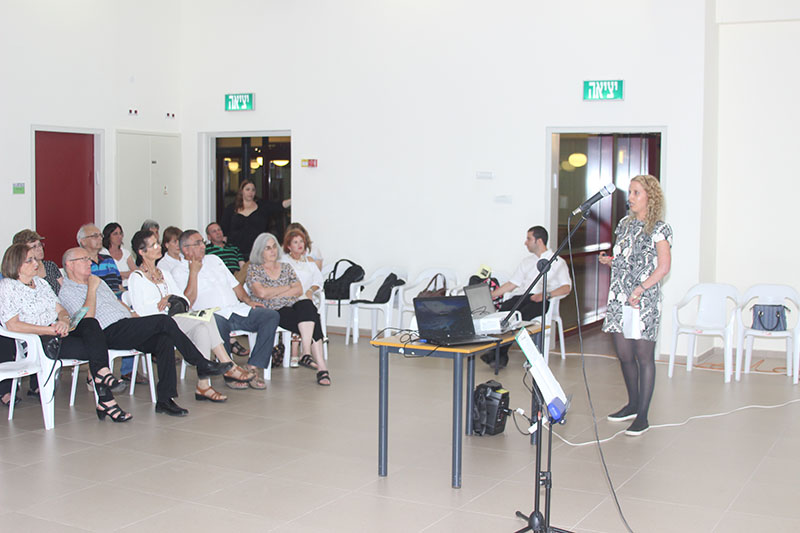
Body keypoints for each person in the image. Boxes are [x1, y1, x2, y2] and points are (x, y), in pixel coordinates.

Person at [59, 247, 232, 416]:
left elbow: (116, 302)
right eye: (84, 259)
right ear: (70, 265)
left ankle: (165, 400)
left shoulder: (97, 281)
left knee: (164, 339)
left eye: (88, 259)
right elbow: (87, 318)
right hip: (105, 332)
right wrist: (91, 288)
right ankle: (200, 363)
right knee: (164, 321)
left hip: (126, 324)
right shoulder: (67, 291)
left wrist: (132, 313)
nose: (89, 262)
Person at [0, 244, 131, 421]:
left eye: (35, 259)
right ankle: (106, 397)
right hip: (38, 340)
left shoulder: (41, 283)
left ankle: (103, 379)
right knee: (97, 349)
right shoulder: (8, 287)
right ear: (16, 264)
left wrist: (63, 320)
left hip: (58, 332)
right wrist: (48, 329)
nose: (36, 263)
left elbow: (61, 309)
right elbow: (13, 325)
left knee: (90, 323)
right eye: (29, 260)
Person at [127, 230, 255, 402]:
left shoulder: (164, 274)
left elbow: (184, 300)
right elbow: (141, 311)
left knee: (203, 328)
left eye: (158, 243)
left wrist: (170, 298)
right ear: (142, 252)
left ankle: (203, 386)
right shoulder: (136, 278)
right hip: (156, 324)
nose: (158, 247)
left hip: (174, 320)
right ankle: (229, 365)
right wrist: (163, 303)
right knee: (207, 318)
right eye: (153, 245)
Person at [599, 175, 672, 437]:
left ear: (650, 197)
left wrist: (641, 289)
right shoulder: (624, 224)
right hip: (619, 297)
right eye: (629, 192)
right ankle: (631, 404)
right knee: (624, 354)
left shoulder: (660, 229)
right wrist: (610, 261)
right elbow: (625, 258)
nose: (630, 197)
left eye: (636, 193)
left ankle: (642, 415)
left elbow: (663, 267)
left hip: (644, 300)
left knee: (644, 357)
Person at [172, 229, 280, 390]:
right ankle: (229, 371)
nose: (203, 246)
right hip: (212, 315)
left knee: (270, 316)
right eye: (198, 243)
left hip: (236, 310)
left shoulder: (214, 259)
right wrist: (193, 272)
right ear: (185, 249)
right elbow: (188, 302)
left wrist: (248, 300)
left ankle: (253, 366)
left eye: (202, 242)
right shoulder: (179, 271)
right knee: (217, 322)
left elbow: (235, 284)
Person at [247, 233, 330, 385]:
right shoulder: (254, 269)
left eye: (274, 247)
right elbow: (262, 293)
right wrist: (286, 288)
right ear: (259, 251)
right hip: (272, 310)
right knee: (313, 320)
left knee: (308, 306)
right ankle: (321, 367)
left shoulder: (285, 267)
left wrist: (274, 292)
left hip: (293, 303)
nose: (273, 251)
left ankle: (306, 352)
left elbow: (298, 289)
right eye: (267, 248)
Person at [485, 225, 572, 368]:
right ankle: (499, 354)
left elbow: (566, 287)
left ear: (539, 241)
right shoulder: (526, 262)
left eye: (528, 239)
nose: (525, 243)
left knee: (521, 316)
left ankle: (499, 354)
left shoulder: (557, 262)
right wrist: (491, 295)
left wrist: (546, 294)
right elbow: (512, 283)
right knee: (505, 311)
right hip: (523, 297)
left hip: (542, 300)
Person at [220, 179, 291, 258]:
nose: (250, 192)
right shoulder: (231, 209)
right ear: (241, 191)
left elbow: (279, 205)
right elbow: (224, 231)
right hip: (235, 253)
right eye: (247, 189)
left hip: (257, 253)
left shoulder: (262, 206)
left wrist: (293, 199)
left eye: (253, 190)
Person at [77, 223, 123, 297]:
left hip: (116, 298)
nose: (100, 238)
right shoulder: (80, 263)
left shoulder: (108, 259)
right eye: (95, 236)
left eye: (101, 235)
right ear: (83, 241)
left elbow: (119, 285)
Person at [12, 229, 62, 295]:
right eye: (34, 247)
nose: (39, 249)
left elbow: (63, 289)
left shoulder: (50, 265)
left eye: (40, 245)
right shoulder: (22, 273)